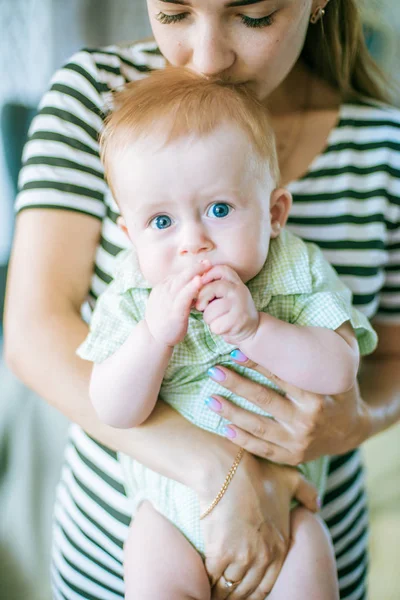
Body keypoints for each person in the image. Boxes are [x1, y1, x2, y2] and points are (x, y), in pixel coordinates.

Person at [3, 1, 400, 598]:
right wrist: (220, 470)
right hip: (129, 539)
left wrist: (350, 422)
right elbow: (35, 335)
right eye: (174, 14)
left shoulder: (381, 151)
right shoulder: (97, 100)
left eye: (256, 17)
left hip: (305, 529)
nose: (208, 58)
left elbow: (383, 357)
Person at [76, 68, 378, 600]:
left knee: (311, 563)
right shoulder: (133, 296)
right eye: (161, 223)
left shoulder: (295, 270)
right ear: (129, 236)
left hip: (289, 512)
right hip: (167, 514)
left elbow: (339, 369)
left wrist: (256, 329)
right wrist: (153, 338)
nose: (193, 243)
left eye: (219, 210)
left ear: (274, 212)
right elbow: (113, 408)